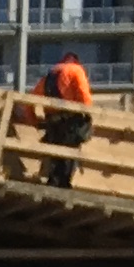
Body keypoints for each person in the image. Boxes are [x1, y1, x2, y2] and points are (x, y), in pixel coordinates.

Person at [39, 52, 96, 187]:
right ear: (76, 61)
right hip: (70, 120)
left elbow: (34, 95)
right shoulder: (76, 70)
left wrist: (33, 120)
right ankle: (63, 183)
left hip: (52, 121)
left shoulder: (51, 73)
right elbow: (83, 94)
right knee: (69, 153)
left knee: (55, 153)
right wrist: (89, 114)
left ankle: (53, 181)